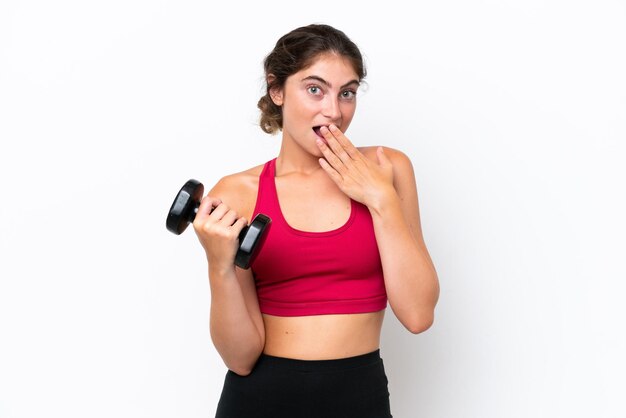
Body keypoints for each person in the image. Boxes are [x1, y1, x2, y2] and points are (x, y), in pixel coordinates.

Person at [192, 23, 440, 418]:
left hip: (361, 397)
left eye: (347, 93)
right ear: (277, 90)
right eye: (314, 89)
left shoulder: (386, 168)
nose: (334, 111)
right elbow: (240, 358)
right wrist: (219, 266)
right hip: (259, 401)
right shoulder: (239, 192)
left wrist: (380, 199)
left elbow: (418, 315)